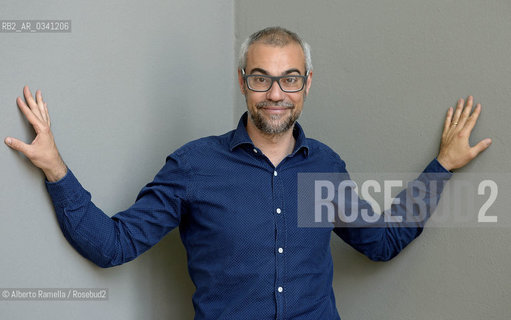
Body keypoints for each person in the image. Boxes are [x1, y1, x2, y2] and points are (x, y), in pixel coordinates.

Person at [4, 27, 491, 319]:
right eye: (261, 78)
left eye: (289, 78)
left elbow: (381, 243)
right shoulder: (195, 166)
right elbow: (112, 245)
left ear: (306, 84)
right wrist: (54, 167)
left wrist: (442, 167)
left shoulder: (323, 167)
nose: (275, 93)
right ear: (243, 82)